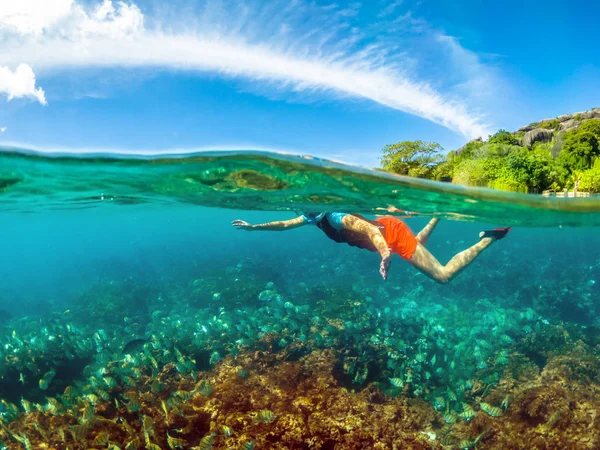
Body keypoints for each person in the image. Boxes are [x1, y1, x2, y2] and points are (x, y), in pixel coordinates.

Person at [231, 213, 510, 283]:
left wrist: (384, 252)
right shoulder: (311, 216)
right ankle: (439, 212)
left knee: (443, 275)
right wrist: (254, 227)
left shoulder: (335, 216)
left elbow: (366, 229)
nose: (304, 211)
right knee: (416, 248)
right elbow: (283, 224)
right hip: (388, 231)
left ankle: (490, 237)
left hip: (389, 235)